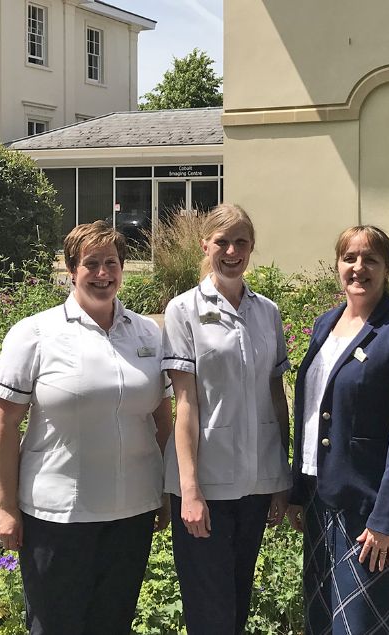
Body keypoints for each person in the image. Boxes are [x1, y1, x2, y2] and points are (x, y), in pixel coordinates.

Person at [0, 220, 173, 635]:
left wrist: (166, 489)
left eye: (112, 263)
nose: (103, 273)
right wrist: (5, 506)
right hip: (58, 516)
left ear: (123, 268)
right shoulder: (35, 334)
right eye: (92, 263)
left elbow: (161, 416)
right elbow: (3, 421)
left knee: (113, 623)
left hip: (132, 511)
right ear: (72, 270)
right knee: (57, 626)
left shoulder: (147, 332)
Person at [287, 225, 389, 634]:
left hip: (371, 510)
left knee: (368, 624)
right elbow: (313, 411)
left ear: (387, 268)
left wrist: (387, 519)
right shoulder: (324, 326)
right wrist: (300, 491)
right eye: (349, 258)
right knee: (323, 619)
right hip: (323, 501)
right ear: (338, 265)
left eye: (370, 259)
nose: (358, 267)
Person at [161, 203, 292, 634]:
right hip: (206, 486)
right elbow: (185, 404)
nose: (232, 251)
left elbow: (275, 396)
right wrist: (190, 490)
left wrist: (280, 481)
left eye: (241, 242)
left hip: (256, 482)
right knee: (208, 608)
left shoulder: (267, 312)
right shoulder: (183, 310)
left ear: (252, 247)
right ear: (206, 244)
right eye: (223, 241)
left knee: (237, 598)